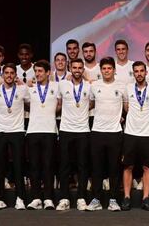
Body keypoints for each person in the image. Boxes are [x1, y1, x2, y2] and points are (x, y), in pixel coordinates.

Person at [86, 57, 124, 211]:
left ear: (114, 70)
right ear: (100, 70)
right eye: (104, 69)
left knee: (114, 168)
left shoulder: (122, 86)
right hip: (97, 132)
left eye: (109, 68)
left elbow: (127, 106)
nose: (107, 71)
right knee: (97, 168)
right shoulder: (94, 86)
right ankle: (96, 199)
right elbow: (90, 104)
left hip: (115, 132)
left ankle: (113, 200)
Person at [121, 61, 149, 211]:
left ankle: (146, 198)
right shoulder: (128, 88)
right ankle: (126, 197)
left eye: (141, 71)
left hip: (148, 134)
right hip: (130, 133)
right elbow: (126, 107)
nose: (139, 74)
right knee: (128, 166)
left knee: (147, 167)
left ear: (146, 72)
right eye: (136, 71)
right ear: (133, 73)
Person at [0, 63, 29, 210]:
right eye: (6, 73)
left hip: (17, 131)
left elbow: (29, 104)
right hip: (0, 131)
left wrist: (22, 82)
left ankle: (20, 198)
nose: (9, 75)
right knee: (0, 166)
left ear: (15, 75)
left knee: (19, 166)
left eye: (12, 73)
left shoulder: (22, 89)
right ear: (2, 75)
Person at [56, 58, 91, 211]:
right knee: (64, 166)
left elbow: (93, 103)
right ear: (70, 68)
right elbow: (57, 104)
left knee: (83, 166)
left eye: (80, 68)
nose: (77, 70)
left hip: (83, 130)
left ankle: (81, 198)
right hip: (65, 130)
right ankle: (64, 198)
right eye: (74, 67)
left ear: (83, 70)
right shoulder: (62, 84)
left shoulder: (89, 86)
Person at [25, 60, 59, 210]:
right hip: (32, 131)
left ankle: (49, 198)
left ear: (48, 73)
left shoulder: (56, 86)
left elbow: (62, 102)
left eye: (40, 71)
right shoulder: (29, 88)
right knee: (34, 166)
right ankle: (36, 198)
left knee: (48, 166)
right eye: (36, 71)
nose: (37, 74)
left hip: (50, 131)